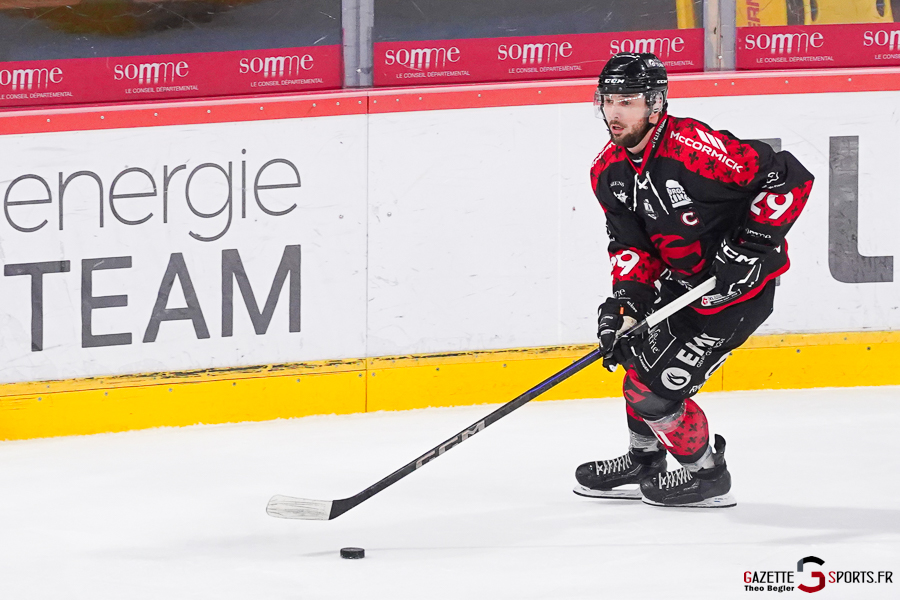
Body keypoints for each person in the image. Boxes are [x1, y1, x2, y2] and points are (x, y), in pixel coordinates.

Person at [575, 52, 813, 508]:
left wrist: (750, 246)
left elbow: (789, 177)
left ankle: (708, 477)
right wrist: (626, 303)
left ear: (656, 103)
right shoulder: (608, 171)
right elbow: (632, 247)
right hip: (681, 288)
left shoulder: (694, 150)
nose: (614, 112)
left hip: (737, 295)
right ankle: (644, 459)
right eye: (607, 100)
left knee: (651, 392)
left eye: (627, 100)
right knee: (633, 355)